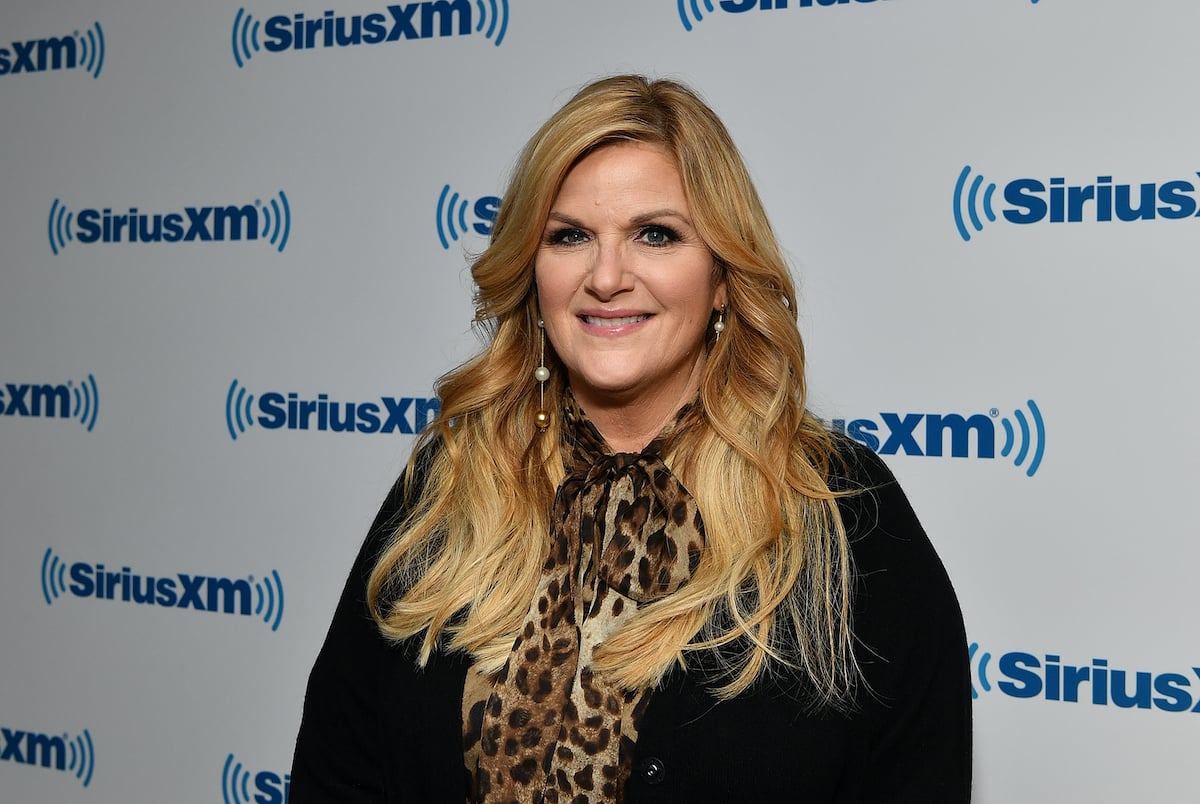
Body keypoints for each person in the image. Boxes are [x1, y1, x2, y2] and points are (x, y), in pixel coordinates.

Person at [291, 75, 972, 803]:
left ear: (720, 276)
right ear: (532, 268)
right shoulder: (455, 479)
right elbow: (340, 768)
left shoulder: (840, 510)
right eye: (570, 236)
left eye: (656, 234)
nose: (607, 276)